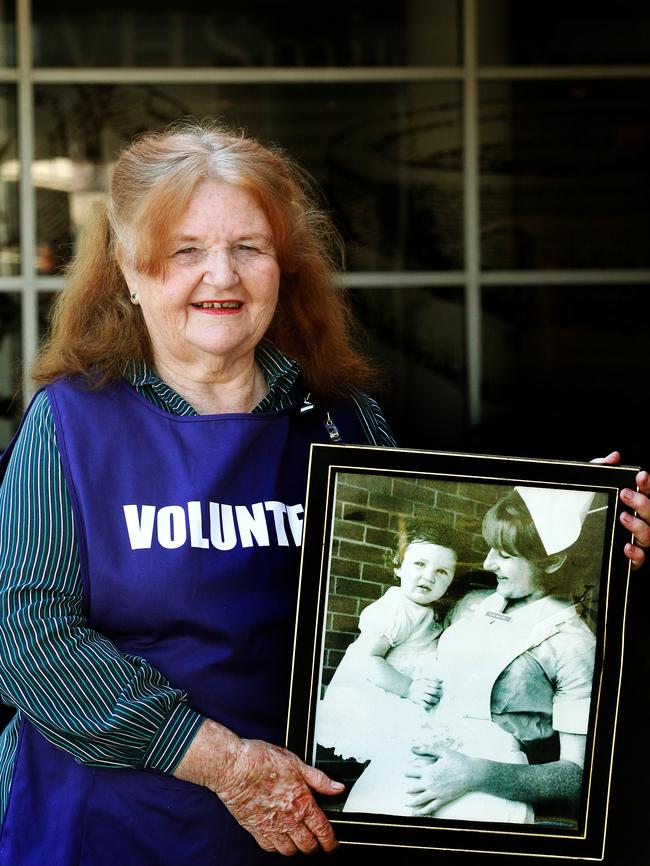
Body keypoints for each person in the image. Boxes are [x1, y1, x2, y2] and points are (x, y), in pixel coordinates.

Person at [0, 120, 397, 865]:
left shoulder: (345, 422)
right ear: (127, 268)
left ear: (284, 265)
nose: (223, 276)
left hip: (302, 830)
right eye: (186, 250)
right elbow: (27, 639)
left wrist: (586, 534)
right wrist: (227, 766)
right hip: (105, 828)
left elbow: (425, 599)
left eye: (249, 248)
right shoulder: (71, 422)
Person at [340, 486, 610, 824]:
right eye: (490, 549)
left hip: (488, 790)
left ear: (553, 560)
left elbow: (578, 775)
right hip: (405, 763)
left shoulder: (575, 645)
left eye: (505, 554)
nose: (487, 563)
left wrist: (475, 774)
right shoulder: (472, 603)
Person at [315, 519, 457, 762]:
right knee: (404, 753)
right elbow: (367, 659)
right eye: (420, 564)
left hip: (402, 693)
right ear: (398, 566)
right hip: (380, 695)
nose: (428, 576)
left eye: (441, 571)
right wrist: (409, 687)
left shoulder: (424, 609)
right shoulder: (395, 609)